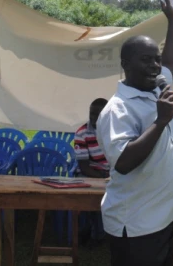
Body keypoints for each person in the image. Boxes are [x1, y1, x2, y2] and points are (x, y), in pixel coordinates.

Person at [95, 0, 173, 266]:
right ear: (126, 65)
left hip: (161, 217)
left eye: (156, 60)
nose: (156, 66)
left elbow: (171, 62)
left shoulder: (155, 88)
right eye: (146, 60)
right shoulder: (117, 110)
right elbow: (123, 162)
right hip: (135, 224)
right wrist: (160, 121)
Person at [74, 98, 110, 247]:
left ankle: (99, 232)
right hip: (90, 173)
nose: (93, 118)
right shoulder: (82, 133)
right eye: (92, 114)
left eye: (98, 114)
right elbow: (84, 167)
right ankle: (94, 233)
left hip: (112, 172)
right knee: (93, 195)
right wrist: (103, 177)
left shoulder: (116, 130)